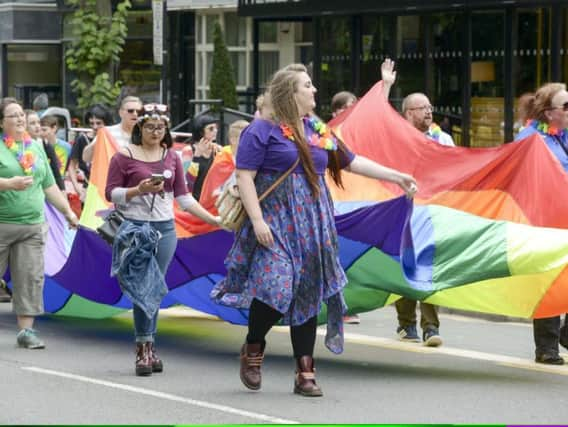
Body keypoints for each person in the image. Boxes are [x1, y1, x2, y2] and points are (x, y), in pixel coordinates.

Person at [210, 63, 417, 397]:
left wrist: (396, 176)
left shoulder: (316, 128)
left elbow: (350, 161)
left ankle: (304, 372)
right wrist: (259, 220)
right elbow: (245, 176)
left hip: (314, 224)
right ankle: (253, 347)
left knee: (307, 293)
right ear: (290, 93)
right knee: (277, 288)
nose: (314, 91)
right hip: (275, 223)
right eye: (307, 85)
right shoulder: (261, 130)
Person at [105, 103, 220, 376]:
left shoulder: (172, 157)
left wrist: (213, 220)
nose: (155, 132)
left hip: (165, 229)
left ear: (166, 129)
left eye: (160, 127)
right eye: (149, 127)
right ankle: (143, 348)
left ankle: (150, 345)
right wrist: (137, 190)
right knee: (144, 286)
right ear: (139, 128)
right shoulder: (124, 156)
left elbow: (183, 197)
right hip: (135, 229)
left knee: (155, 287)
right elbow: (111, 193)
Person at [0, 97, 78, 349]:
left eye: (21, 113)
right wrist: (8, 183)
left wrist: (68, 212)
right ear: (2, 123)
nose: (21, 118)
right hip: (2, 224)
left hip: (32, 226)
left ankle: (26, 332)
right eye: (13, 115)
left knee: (30, 277)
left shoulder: (34, 146)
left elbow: (48, 185)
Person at [515, 83, 568, 365]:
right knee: (549, 280)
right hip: (544, 221)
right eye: (566, 106)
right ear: (549, 113)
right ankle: (546, 347)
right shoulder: (529, 138)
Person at [68, 104, 113, 201]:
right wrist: (77, 187)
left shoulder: (112, 138)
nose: (95, 126)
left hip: (110, 188)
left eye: (99, 123)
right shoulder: (82, 139)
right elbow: (72, 165)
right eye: (92, 123)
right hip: (89, 187)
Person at [83, 96, 142, 164]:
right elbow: (86, 158)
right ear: (120, 113)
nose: (135, 114)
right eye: (130, 111)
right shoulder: (107, 132)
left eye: (138, 111)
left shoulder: (145, 135)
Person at [25, 110, 64, 191]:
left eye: (38, 122)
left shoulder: (45, 145)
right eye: (32, 123)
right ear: (24, 126)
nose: (37, 126)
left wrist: (63, 192)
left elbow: (56, 174)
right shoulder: (17, 146)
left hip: (46, 192)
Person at [189, 114, 221, 201]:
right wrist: (197, 156)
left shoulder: (217, 149)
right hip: (194, 202)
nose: (215, 131)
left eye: (216, 128)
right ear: (200, 132)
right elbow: (187, 181)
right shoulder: (188, 150)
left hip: (212, 200)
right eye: (211, 128)